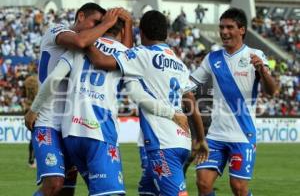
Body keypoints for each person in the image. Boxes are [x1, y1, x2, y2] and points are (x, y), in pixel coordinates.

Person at [26, 14, 189, 195]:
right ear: (120, 31)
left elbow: (54, 78)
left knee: (62, 189)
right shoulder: (125, 55)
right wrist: (171, 113)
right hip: (99, 132)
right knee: (108, 192)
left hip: (69, 133)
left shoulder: (81, 47)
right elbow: (136, 94)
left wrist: (34, 109)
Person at [84, 10, 209, 196]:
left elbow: (100, 60)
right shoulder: (179, 63)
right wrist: (200, 139)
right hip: (182, 140)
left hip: (162, 143)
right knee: (147, 191)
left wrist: (83, 41)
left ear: (141, 33)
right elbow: (191, 102)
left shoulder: (141, 54)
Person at [24, 3, 122, 196]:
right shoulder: (60, 31)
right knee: (54, 184)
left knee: (67, 191)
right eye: (94, 22)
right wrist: (34, 109)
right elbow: (79, 41)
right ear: (81, 16)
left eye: (100, 25)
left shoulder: (87, 47)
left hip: (71, 126)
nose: (96, 28)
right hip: (47, 120)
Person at [190, 8, 277, 196]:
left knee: (238, 188)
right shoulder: (212, 58)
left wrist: (262, 71)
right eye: (221, 27)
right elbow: (189, 84)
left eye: (229, 27)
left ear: (242, 30)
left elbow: (272, 91)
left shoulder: (256, 55)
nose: (224, 32)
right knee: (203, 183)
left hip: (243, 135)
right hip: (215, 135)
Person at [23, 75, 39, 168]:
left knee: (34, 138)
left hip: (30, 111)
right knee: (35, 138)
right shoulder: (36, 96)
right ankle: (33, 160)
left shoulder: (28, 99)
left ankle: (32, 160)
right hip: (35, 113)